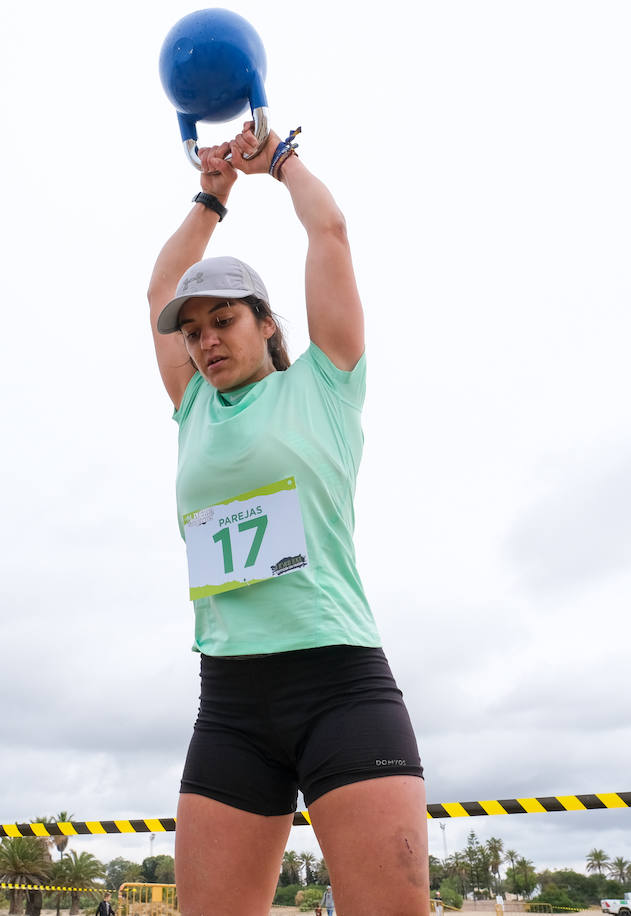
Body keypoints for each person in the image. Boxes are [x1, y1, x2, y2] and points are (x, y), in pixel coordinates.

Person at [147, 121, 427, 915]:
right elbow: (158, 288)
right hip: (230, 701)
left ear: (266, 322)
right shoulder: (193, 405)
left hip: (337, 681)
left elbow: (329, 230)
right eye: (193, 332)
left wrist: (280, 162)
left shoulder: (323, 387)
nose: (204, 343)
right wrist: (211, 194)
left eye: (223, 321)